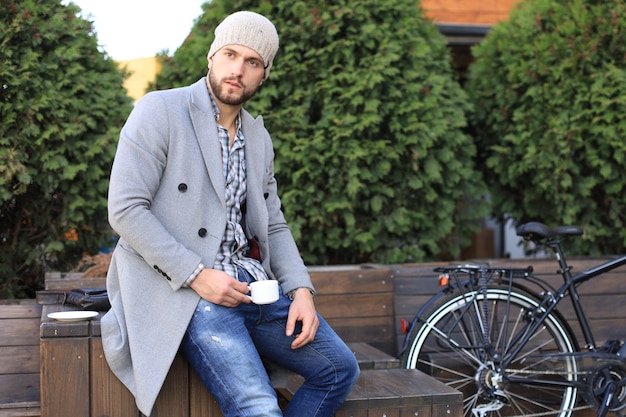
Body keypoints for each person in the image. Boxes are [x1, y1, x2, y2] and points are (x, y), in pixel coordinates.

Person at [101, 10, 360, 417]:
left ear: (263, 74)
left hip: (253, 289)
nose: (238, 69)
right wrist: (197, 275)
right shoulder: (160, 111)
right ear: (211, 57)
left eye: (253, 62)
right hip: (187, 292)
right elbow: (125, 209)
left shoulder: (258, 138)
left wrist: (303, 292)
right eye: (230, 54)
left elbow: (273, 223)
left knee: (339, 369)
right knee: (259, 407)